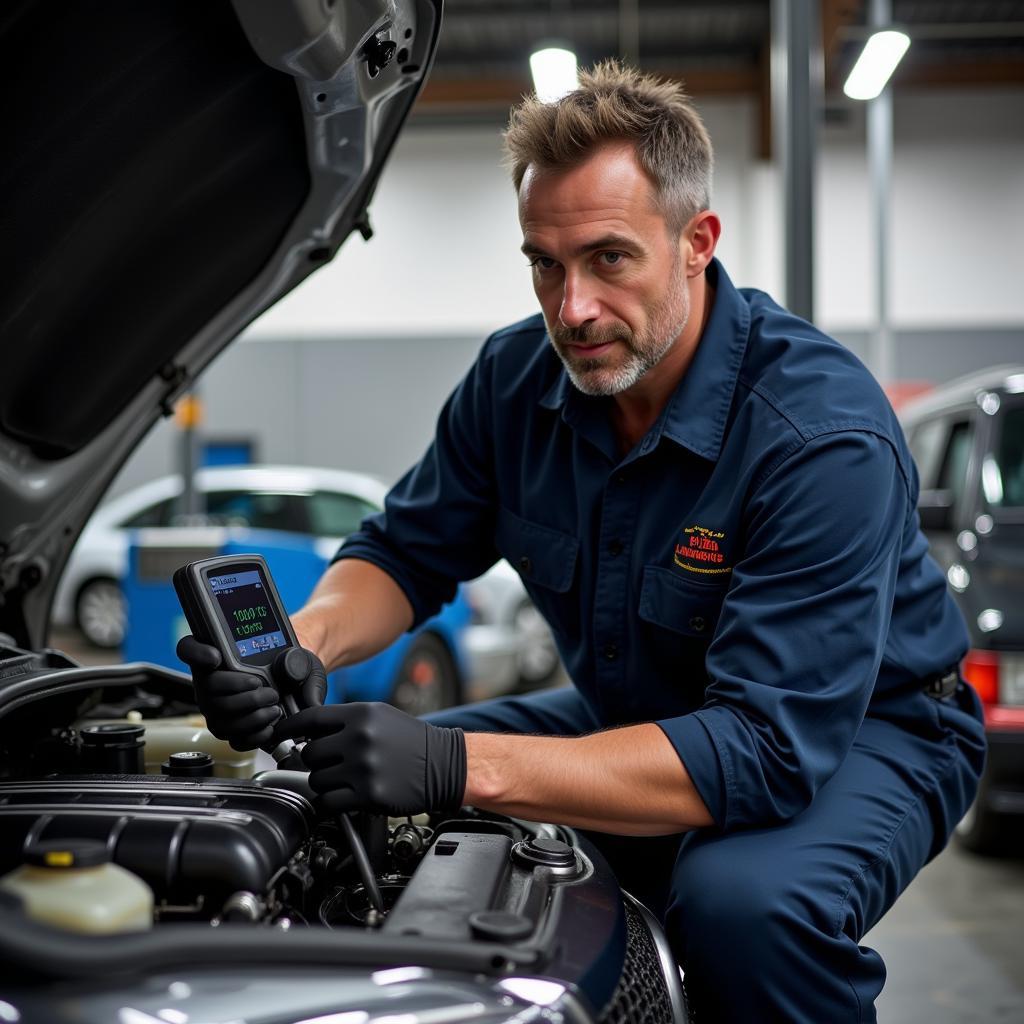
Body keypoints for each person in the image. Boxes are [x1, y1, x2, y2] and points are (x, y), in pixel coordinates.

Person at [180, 61, 986, 1022]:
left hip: (863, 725)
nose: (572, 309)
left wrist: (460, 767)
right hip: (642, 699)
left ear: (697, 243)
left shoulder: (818, 435)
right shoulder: (513, 379)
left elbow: (767, 749)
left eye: (609, 259)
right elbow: (404, 551)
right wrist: (306, 643)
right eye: (544, 263)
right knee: (343, 783)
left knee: (746, 906)